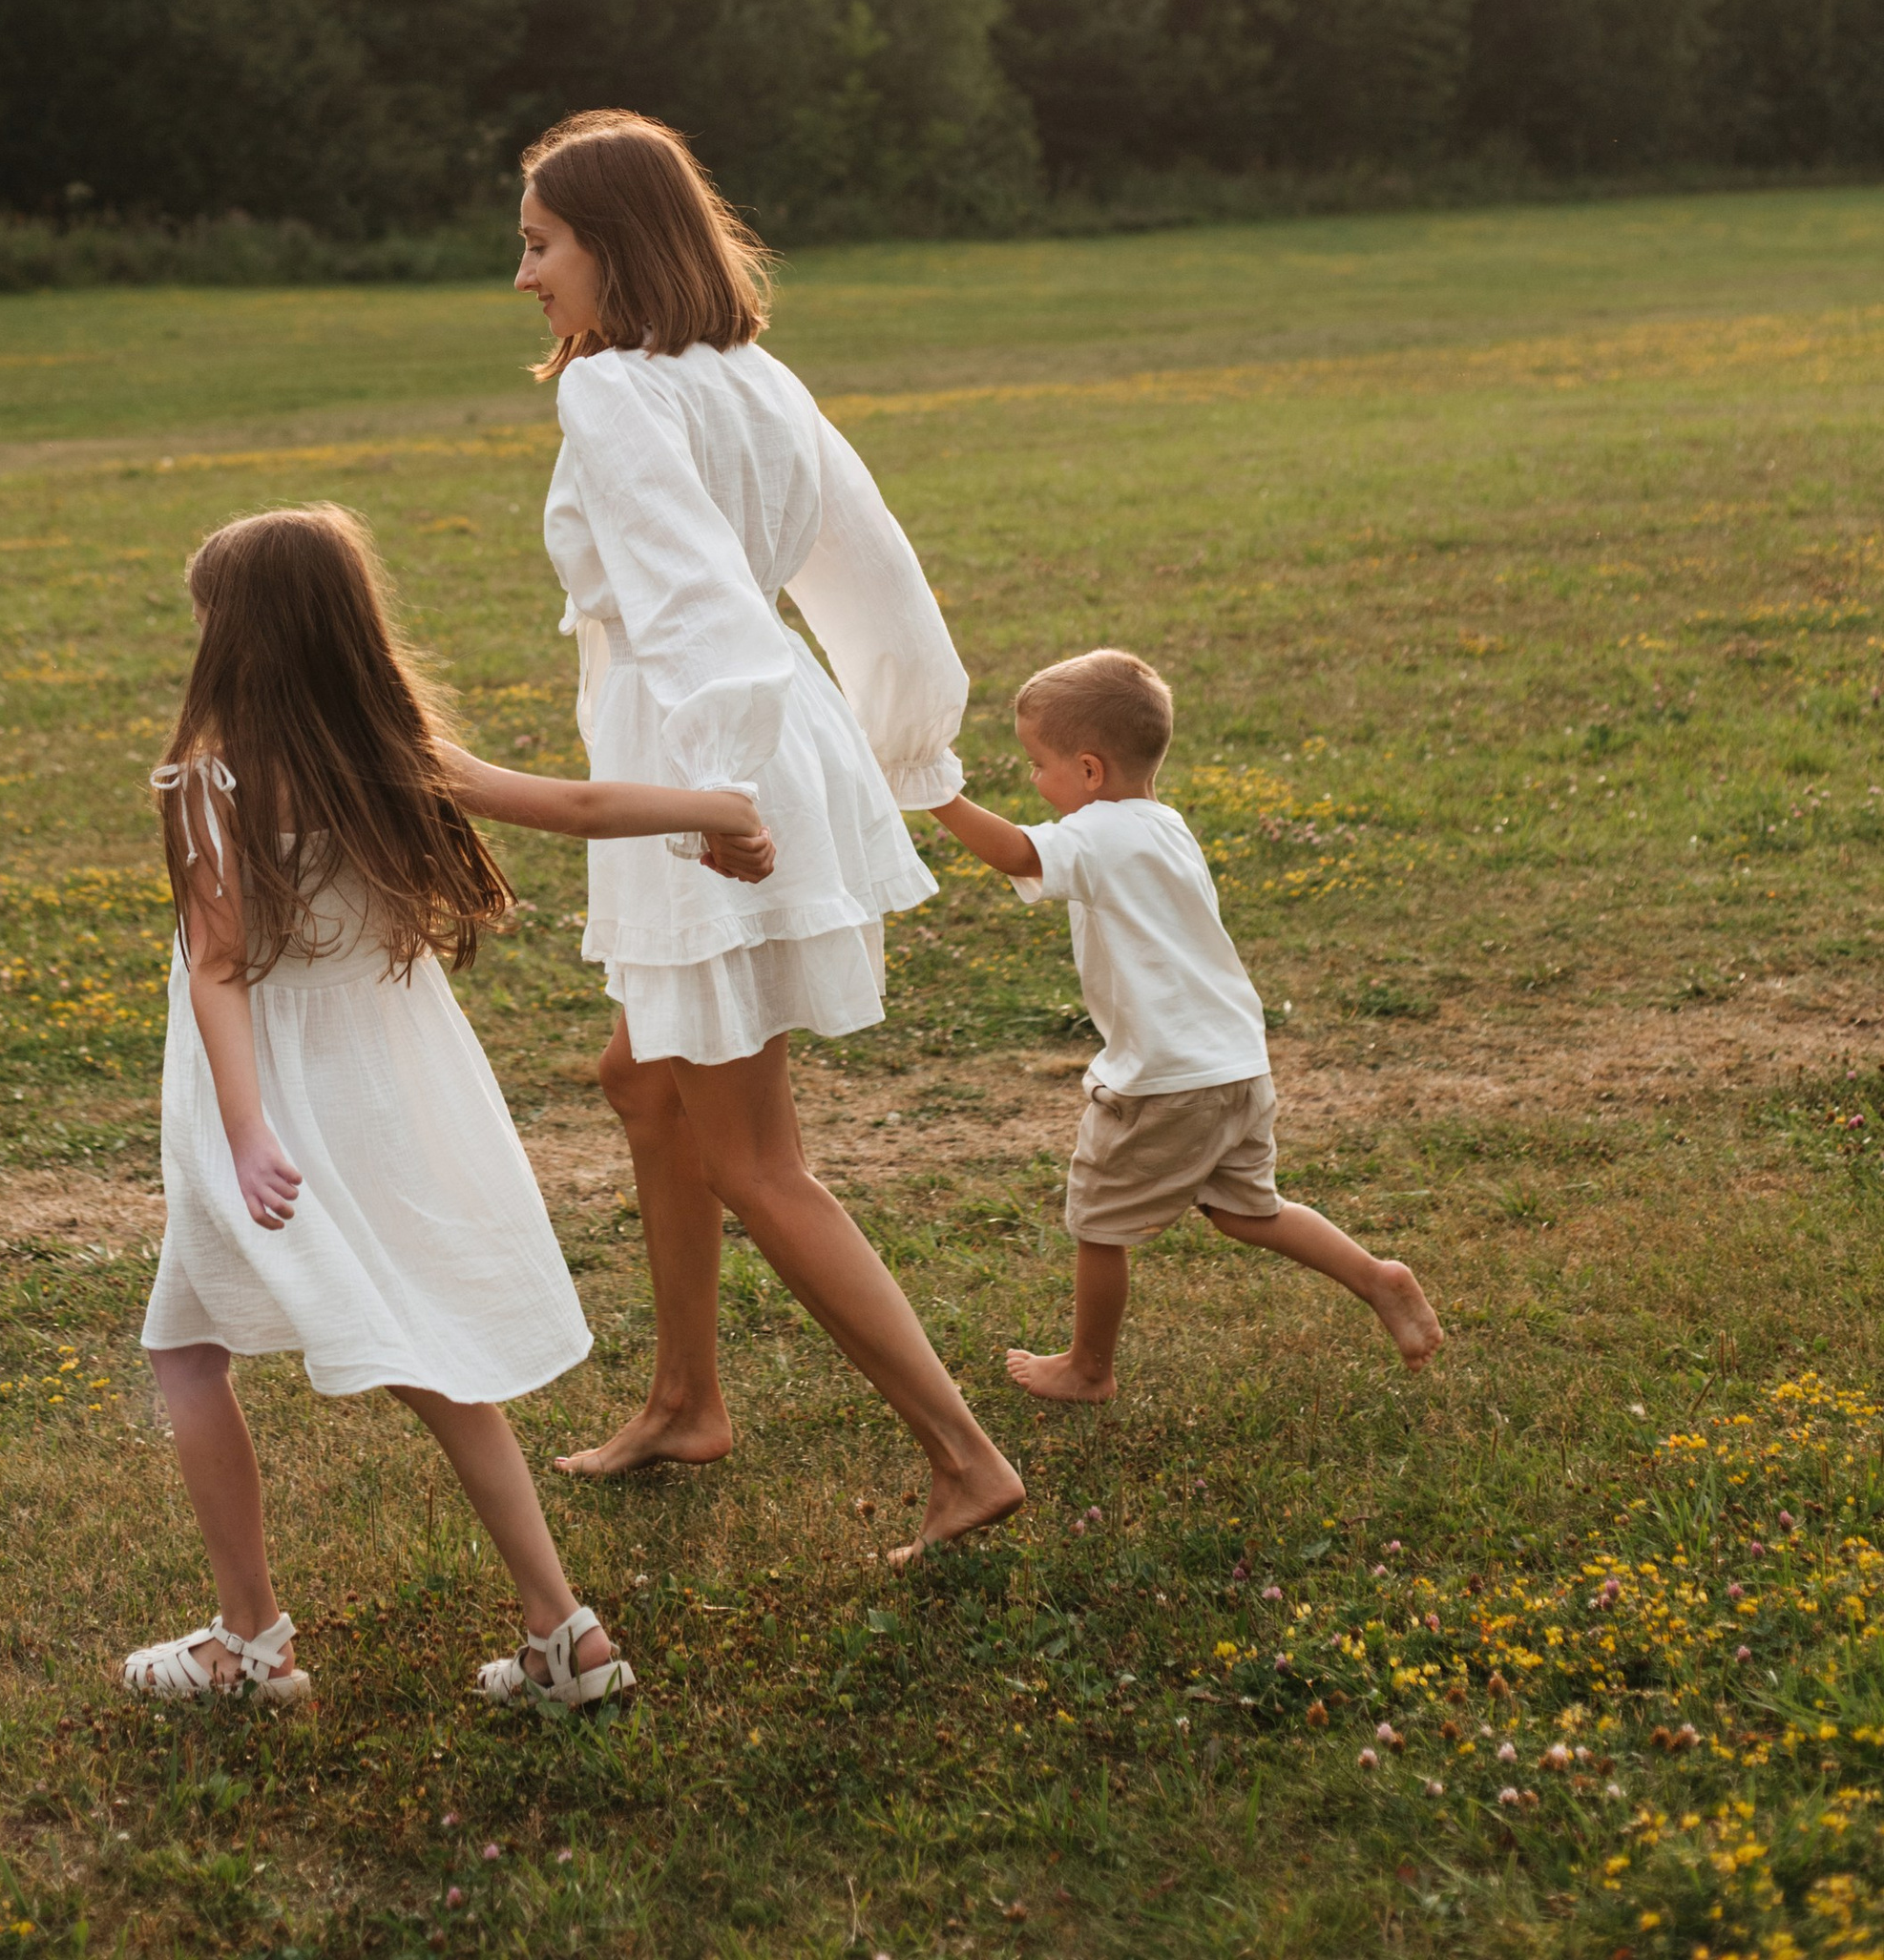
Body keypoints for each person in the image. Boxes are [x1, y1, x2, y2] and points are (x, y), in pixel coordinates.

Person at [119, 501, 777, 1716]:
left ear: (241, 639)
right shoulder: (392, 753)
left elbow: (217, 970)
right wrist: (718, 808)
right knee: (430, 1364)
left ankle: (250, 1639)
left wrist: (248, 1130)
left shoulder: (210, 784)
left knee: (185, 1350)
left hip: (272, 1108)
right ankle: (564, 1633)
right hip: (395, 1093)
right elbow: (574, 806)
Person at [516, 108, 1024, 1561]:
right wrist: (897, 738)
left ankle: (962, 1454)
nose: (527, 276)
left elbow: (682, 592)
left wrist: (729, 788)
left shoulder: (613, 391)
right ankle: (687, 1396)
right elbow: (875, 578)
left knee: (754, 1151)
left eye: (541, 244)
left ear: (613, 243)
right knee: (642, 1077)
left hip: (702, 765)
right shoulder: (752, 371)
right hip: (746, 738)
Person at [929, 646, 1444, 1399]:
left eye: (1038, 765)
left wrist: (937, 793)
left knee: (1100, 1225)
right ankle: (1376, 1275)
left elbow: (1013, 849)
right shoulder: (1165, 824)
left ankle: (1087, 1369)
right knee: (1247, 1210)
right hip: (1234, 1063)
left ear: (1091, 771)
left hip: (1165, 1080)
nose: (1033, 782)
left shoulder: (1098, 832)